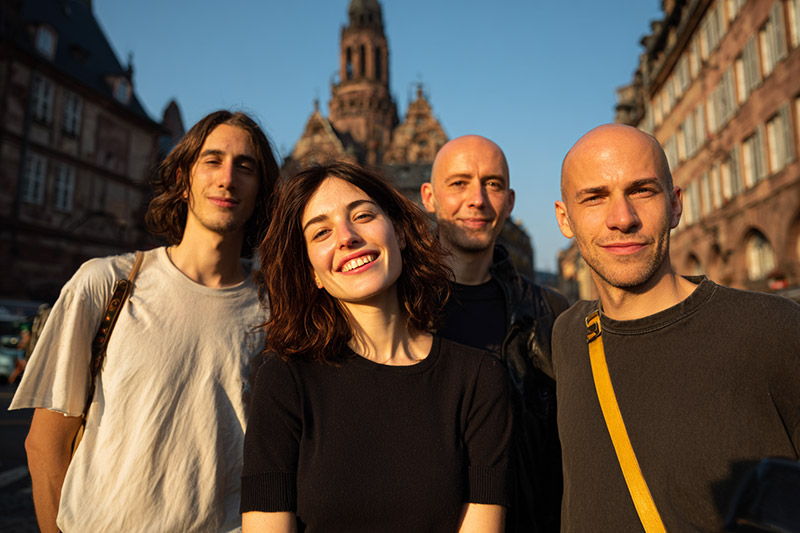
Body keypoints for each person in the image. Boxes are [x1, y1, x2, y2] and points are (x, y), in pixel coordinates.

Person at [10, 110, 280, 533]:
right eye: (212, 161)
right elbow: (45, 444)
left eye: (245, 166)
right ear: (182, 179)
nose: (228, 178)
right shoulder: (107, 284)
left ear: (261, 190)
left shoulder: (276, 309)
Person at [552, 123, 800, 531]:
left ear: (675, 205)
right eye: (595, 197)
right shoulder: (566, 336)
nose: (622, 218)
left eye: (642, 191)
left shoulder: (774, 329)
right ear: (565, 218)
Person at [241, 161, 512, 532]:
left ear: (399, 232)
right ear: (311, 273)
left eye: (363, 215)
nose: (346, 236)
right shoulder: (286, 379)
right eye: (321, 233)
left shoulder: (478, 378)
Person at [420, 135, 568, 532]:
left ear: (511, 201)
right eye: (459, 183)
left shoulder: (549, 314)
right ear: (429, 197)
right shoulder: (396, 312)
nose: (478, 199)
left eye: (493, 184)